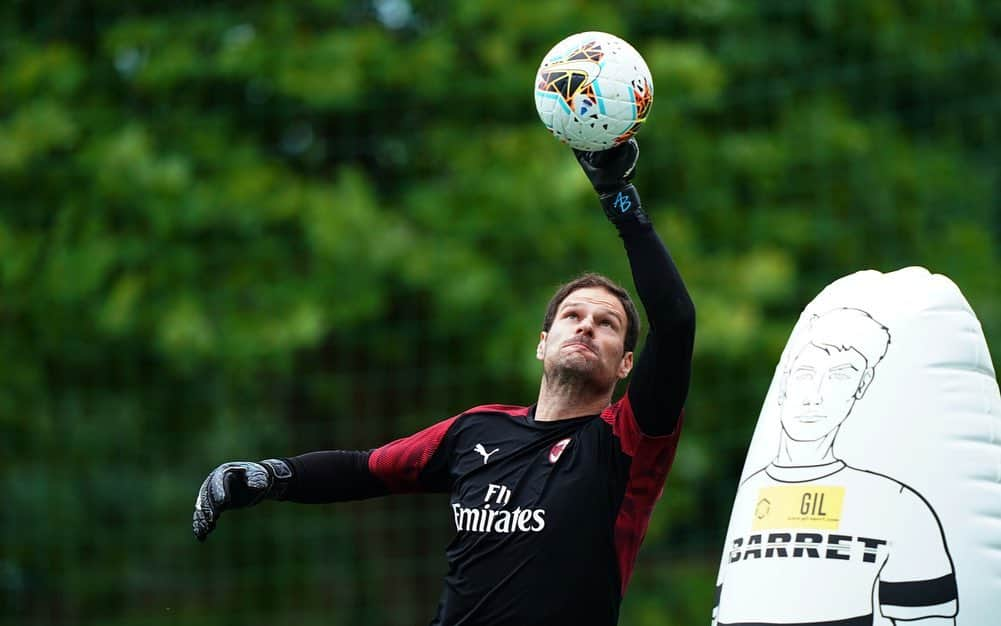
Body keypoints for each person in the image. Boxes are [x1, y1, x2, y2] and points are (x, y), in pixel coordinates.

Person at [192, 139, 696, 626]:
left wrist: (618, 198)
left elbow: (674, 321)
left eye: (606, 323)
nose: (586, 324)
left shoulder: (626, 441)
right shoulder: (475, 431)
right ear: (542, 343)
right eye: (572, 315)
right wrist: (271, 477)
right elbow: (365, 469)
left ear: (627, 363)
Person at [713, 308, 957, 626]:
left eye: (840, 375)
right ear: (784, 380)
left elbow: (928, 619)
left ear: (862, 384)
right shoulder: (749, 495)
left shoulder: (898, 505)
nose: (815, 396)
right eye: (805, 374)